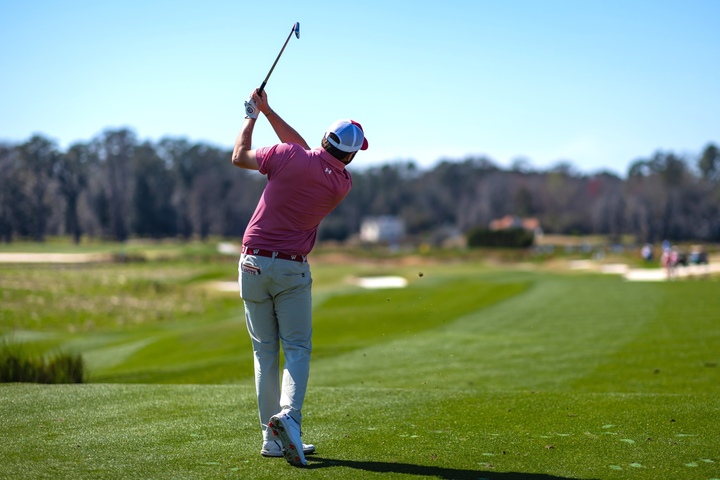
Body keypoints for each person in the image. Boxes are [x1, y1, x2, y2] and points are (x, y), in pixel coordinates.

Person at [231, 88, 368, 467]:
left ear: (325, 139)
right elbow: (308, 154)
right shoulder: (341, 184)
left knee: (264, 353)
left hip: (252, 262)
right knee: (296, 349)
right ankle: (288, 420)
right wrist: (269, 110)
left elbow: (239, 156)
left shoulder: (288, 156)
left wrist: (252, 115)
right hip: (291, 268)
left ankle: (270, 438)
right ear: (351, 155)